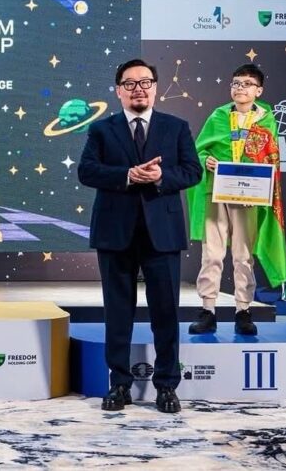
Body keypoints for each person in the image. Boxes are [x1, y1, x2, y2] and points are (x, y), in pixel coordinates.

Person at [78, 58, 202, 414]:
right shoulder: (102, 130)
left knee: (166, 313)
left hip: (163, 234)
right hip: (115, 233)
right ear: (118, 91)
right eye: (130, 84)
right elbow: (87, 171)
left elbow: (192, 171)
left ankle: (167, 386)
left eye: (145, 82)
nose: (138, 89)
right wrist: (128, 175)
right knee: (118, 313)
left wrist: (161, 177)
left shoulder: (176, 127)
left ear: (155, 88)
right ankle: (119, 385)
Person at [186, 64, 286, 336]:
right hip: (216, 193)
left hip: (249, 197)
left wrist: (260, 187)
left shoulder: (266, 121)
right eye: (235, 83)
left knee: (243, 255)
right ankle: (208, 310)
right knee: (212, 254)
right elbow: (197, 151)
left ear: (259, 90)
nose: (240, 88)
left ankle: (243, 311)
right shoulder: (218, 116)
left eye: (246, 84)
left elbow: (271, 160)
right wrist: (205, 160)